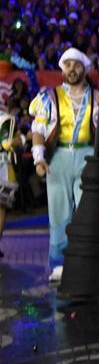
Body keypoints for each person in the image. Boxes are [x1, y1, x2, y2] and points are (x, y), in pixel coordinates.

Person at [30, 48, 99, 282]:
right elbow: (38, 129)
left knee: (86, 212)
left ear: (85, 68)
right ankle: (59, 263)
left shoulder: (97, 97)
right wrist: (39, 158)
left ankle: (84, 261)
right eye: (67, 65)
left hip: (86, 156)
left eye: (77, 65)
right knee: (59, 212)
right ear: (62, 69)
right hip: (59, 158)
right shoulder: (50, 97)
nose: (72, 69)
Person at [0, 109, 23, 259]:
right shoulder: (4, 119)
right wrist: (20, 138)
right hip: (2, 169)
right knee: (1, 209)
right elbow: (7, 144)